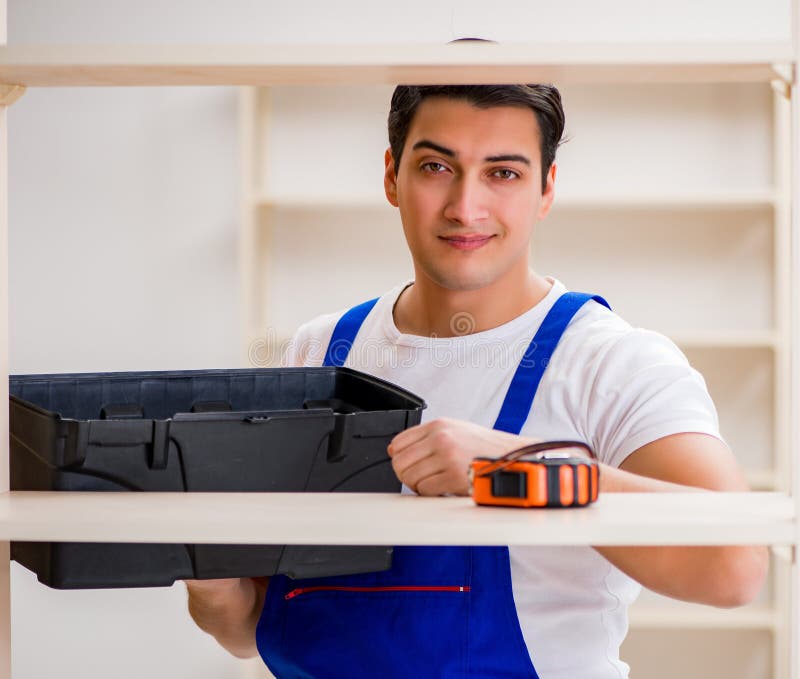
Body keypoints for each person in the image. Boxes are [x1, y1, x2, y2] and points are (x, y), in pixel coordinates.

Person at [186, 83, 768, 678]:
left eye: (504, 173)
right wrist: (205, 571)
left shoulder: (612, 363)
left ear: (546, 189)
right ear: (392, 175)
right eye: (436, 167)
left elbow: (735, 566)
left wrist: (519, 473)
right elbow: (245, 626)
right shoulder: (318, 352)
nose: (466, 207)